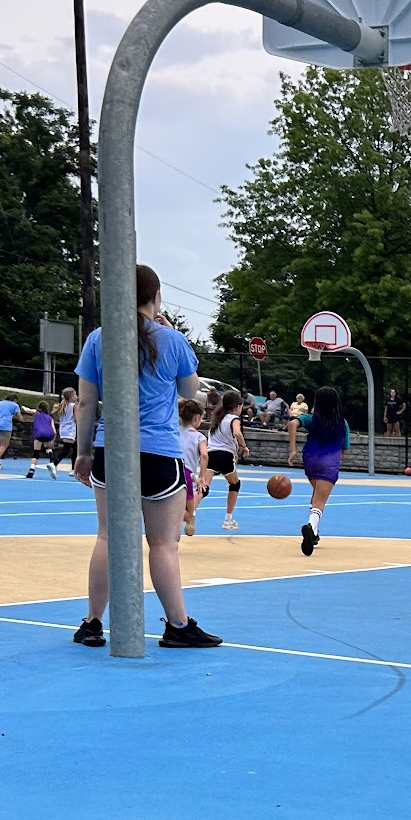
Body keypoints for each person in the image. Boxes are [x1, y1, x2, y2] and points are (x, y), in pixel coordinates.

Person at [71, 261, 221, 649]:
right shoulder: (172, 340)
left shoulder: (98, 339)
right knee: (163, 544)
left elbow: (85, 403)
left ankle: (92, 623)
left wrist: (83, 453)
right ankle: (177, 625)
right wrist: (171, 335)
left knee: (107, 537)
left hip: (110, 447)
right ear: (156, 297)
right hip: (158, 451)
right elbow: (190, 389)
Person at [289, 383, 350, 554]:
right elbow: (345, 449)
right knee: (319, 502)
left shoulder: (311, 419)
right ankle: (311, 526)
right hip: (328, 463)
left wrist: (292, 449)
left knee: (316, 496)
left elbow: (292, 424)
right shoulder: (342, 424)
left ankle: (314, 534)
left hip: (310, 460)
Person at [207, 390, 247, 531]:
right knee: (235, 484)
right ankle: (228, 519)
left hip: (210, 455)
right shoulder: (234, 418)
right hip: (224, 456)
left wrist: (234, 451)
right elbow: (237, 433)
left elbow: (221, 439)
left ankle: (190, 513)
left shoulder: (217, 419)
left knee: (203, 487)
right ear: (237, 407)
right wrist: (244, 446)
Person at [178, 397, 208, 537]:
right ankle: (189, 519)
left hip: (171, 469)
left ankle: (178, 518)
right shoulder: (199, 437)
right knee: (189, 507)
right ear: (197, 418)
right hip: (186, 473)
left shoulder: (174, 431)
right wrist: (202, 477)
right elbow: (204, 455)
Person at [25, 400, 57, 479]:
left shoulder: (37, 413)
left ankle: (31, 470)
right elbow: (54, 431)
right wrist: (53, 440)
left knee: (36, 453)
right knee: (48, 448)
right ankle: (51, 458)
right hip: (49, 434)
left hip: (39, 434)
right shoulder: (50, 418)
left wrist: (23, 407)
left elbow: (28, 410)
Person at [0, 393, 20, 470]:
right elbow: (19, 417)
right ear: (15, 400)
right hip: (5, 425)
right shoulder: (15, 405)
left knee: (1, 443)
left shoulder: (0, 403)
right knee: (4, 445)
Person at [51, 387, 79, 470]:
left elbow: (56, 417)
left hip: (63, 430)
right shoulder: (74, 406)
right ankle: (54, 463)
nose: (77, 396)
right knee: (66, 449)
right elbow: (76, 418)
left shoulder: (63, 406)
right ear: (71, 397)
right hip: (70, 430)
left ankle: (73, 469)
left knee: (75, 448)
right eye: (75, 394)